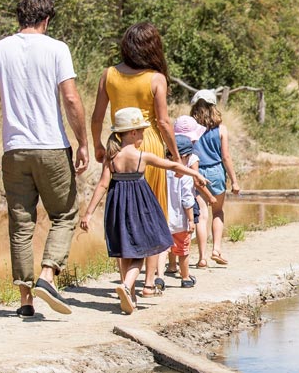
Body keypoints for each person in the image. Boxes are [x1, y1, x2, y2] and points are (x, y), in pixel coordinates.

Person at [0, 0, 89, 317]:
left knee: (21, 223)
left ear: (19, 18)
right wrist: (83, 142)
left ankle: (25, 300)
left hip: (14, 149)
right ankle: (48, 275)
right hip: (51, 146)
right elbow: (70, 98)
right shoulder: (57, 49)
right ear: (46, 20)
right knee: (65, 214)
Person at [79, 108, 208, 315]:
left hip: (117, 206)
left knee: (125, 250)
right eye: (140, 131)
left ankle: (129, 296)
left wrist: (88, 213)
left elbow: (102, 185)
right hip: (140, 206)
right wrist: (194, 174)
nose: (143, 135)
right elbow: (171, 165)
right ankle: (127, 284)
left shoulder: (112, 158)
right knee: (144, 249)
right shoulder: (141, 156)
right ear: (131, 133)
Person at [91, 21, 181, 297]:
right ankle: (149, 282)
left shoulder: (109, 74)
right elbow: (164, 122)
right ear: (153, 47)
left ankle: (124, 279)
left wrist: (97, 145)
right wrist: (175, 156)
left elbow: (97, 115)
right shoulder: (156, 78)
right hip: (148, 144)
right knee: (153, 212)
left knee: (124, 211)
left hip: (117, 144)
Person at [190, 90, 240, 265]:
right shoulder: (221, 129)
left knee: (201, 216)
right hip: (217, 172)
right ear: (213, 107)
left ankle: (202, 258)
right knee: (217, 211)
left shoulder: (191, 129)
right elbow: (226, 157)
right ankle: (216, 249)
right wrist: (234, 180)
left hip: (196, 173)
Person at [172, 115, 210, 267]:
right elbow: (197, 181)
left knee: (171, 229)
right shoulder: (192, 156)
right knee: (200, 219)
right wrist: (209, 196)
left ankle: (171, 264)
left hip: (170, 197)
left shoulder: (169, 154)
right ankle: (201, 257)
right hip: (188, 197)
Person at [164, 135, 198, 288]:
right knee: (183, 250)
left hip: (162, 219)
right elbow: (187, 200)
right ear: (184, 156)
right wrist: (191, 220)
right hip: (180, 221)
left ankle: (158, 278)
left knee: (162, 250)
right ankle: (185, 278)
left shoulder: (160, 172)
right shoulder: (185, 175)